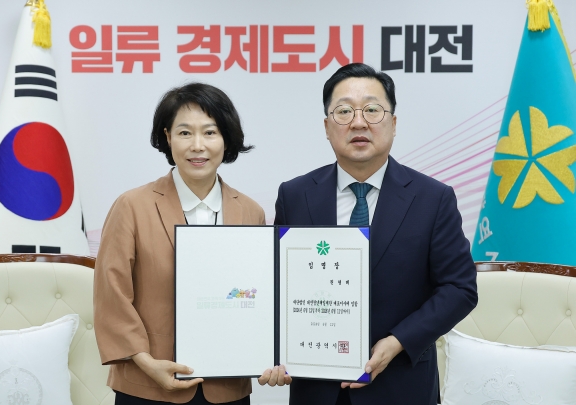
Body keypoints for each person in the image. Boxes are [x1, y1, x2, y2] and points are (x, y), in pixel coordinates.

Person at [274, 63, 478, 405]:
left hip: (401, 384)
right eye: (343, 111)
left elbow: (460, 289)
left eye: (372, 109)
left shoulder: (433, 198)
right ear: (326, 127)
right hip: (316, 388)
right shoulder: (294, 195)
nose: (358, 122)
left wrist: (398, 341)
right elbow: (279, 284)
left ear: (393, 124)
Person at [94, 83, 284, 405]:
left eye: (210, 132)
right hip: (148, 384)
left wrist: (272, 354)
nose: (198, 146)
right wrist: (145, 362)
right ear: (168, 137)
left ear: (226, 139)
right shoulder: (132, 206)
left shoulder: (250, 212)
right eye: (185, 133)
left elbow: (258, 296)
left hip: (226, 389)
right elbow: (111, 295)